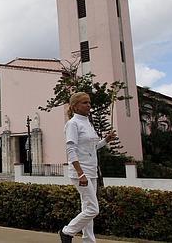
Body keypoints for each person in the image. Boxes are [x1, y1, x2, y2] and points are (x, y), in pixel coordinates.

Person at [59, 92, 116, 243]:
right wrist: (80, 173)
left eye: (89, 102)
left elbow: (92, 148)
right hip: (81, 172)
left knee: (87, 208)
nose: (89, 105)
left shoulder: (87, 122)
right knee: (93, 209)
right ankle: (67, 231)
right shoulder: (73, 123)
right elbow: (71, 149)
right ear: (75, 106)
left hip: (91, 171)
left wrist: (105, 140)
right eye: (84, 103)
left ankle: (89, 241)